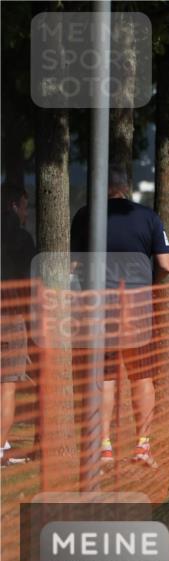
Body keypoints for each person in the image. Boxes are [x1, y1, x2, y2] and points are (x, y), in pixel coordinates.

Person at [69, 167, 169, 470]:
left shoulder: (85, 216)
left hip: (100, 307)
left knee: (105, 376)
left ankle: (104, 448)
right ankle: (142, 446)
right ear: (125, 187)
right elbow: (166, 264)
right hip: (137, 307)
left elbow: (74, 265)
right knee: (141, 374)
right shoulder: (149, 217)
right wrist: (148, 285)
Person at [1, 183, 36, 466]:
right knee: (7, 386)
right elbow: (30, 282)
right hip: (10, 318)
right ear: (14, 205)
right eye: (25, 206)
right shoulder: (22, 239)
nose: (27, 213)